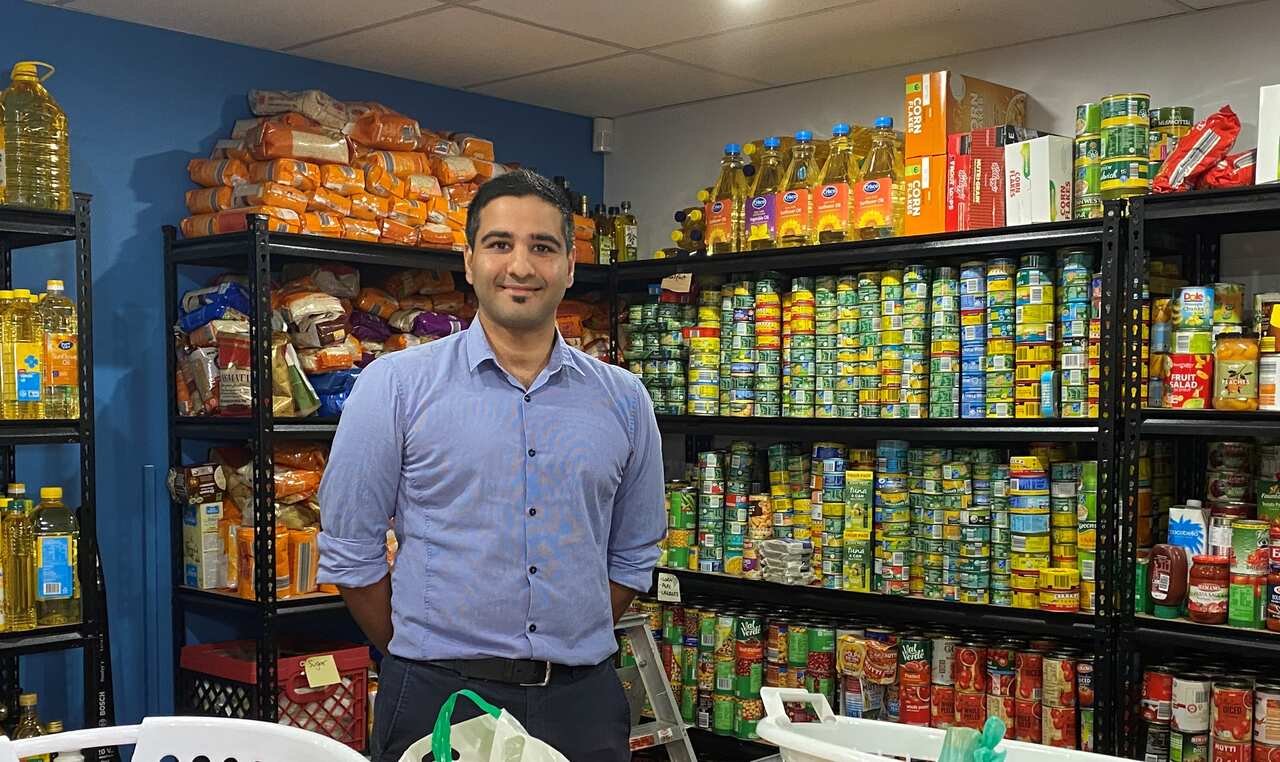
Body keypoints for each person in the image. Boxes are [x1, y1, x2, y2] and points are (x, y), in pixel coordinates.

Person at [317, 169, 666, 762]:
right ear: (470, 260)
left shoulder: (624, 399)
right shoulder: (396, 387)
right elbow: (351, 551)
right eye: (500, 244)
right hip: (438, 696)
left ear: (570, 267)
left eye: (543, 247)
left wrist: (567, 642)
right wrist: (418, 651)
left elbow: (634, 554)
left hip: (581, 703)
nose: (521, 267)